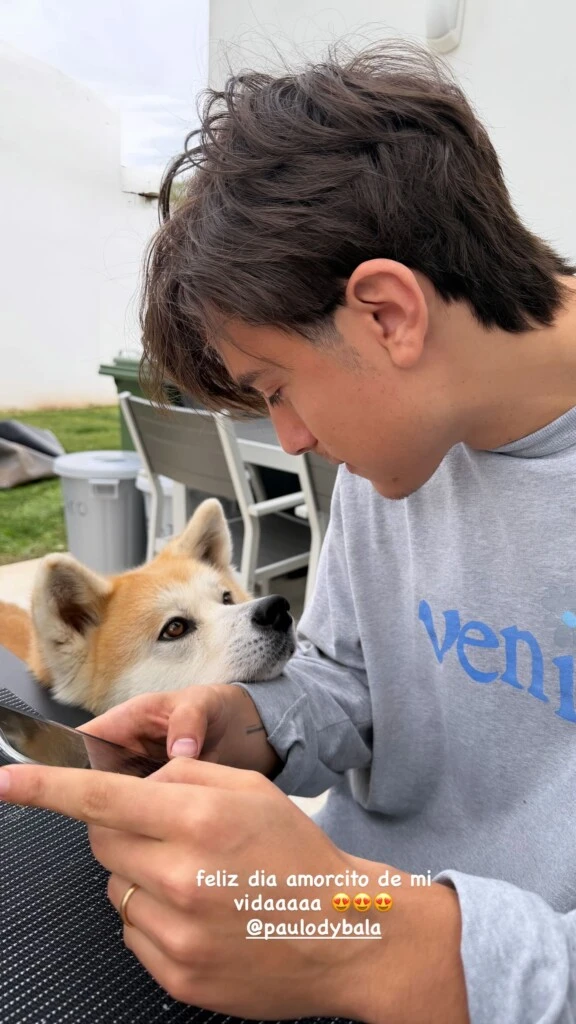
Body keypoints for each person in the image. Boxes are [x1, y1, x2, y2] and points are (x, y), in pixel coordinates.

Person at [2, 39, 576, 1023]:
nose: (296, 439)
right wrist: (250, 724)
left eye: (276, 393)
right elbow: (349, 680)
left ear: (388, 313)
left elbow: (378, 936)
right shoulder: (403, 443)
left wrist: (370, 939)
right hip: (331, 912)